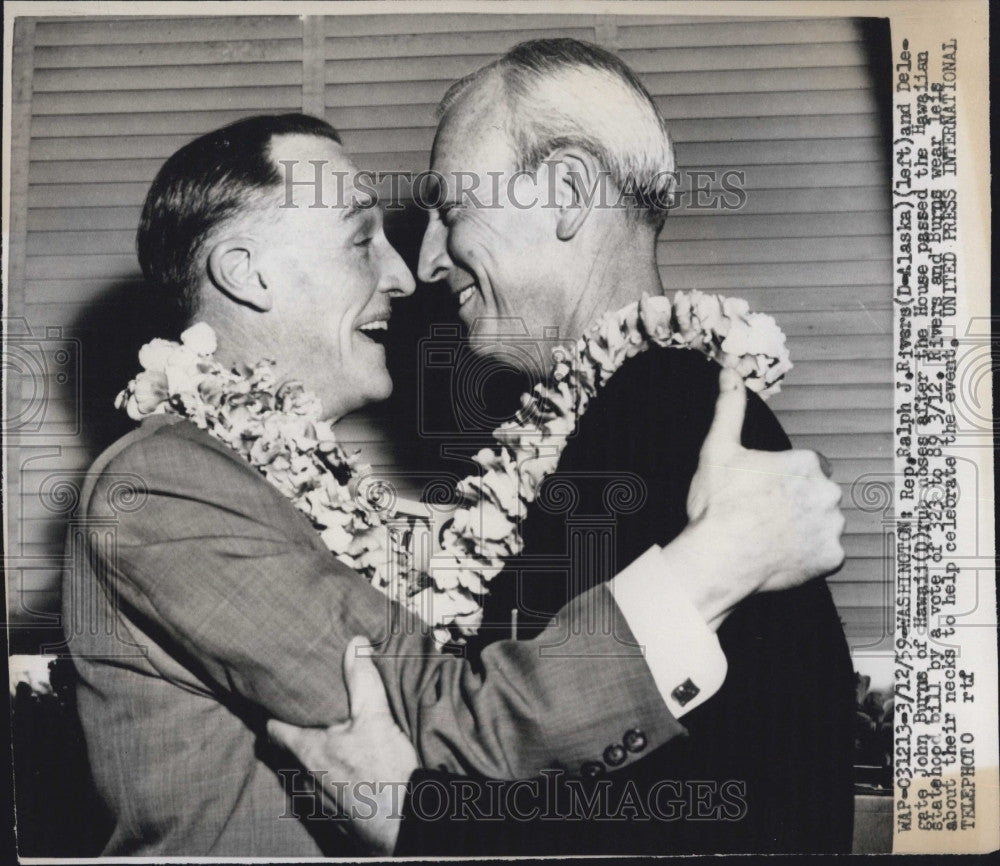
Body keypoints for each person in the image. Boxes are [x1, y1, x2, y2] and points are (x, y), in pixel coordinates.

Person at [63, 112, 844, 856]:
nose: (404, 275)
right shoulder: (160, 487)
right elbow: (443, 721)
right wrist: (717, 564)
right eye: (360, 240)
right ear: (247, 273)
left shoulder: (278, 488)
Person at [268, 39, 856, 855]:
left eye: (452, 209)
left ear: (569, 193)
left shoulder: (662, 409)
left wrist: (410, 816)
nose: (429, 260)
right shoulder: (627, 408)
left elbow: (723, 807)